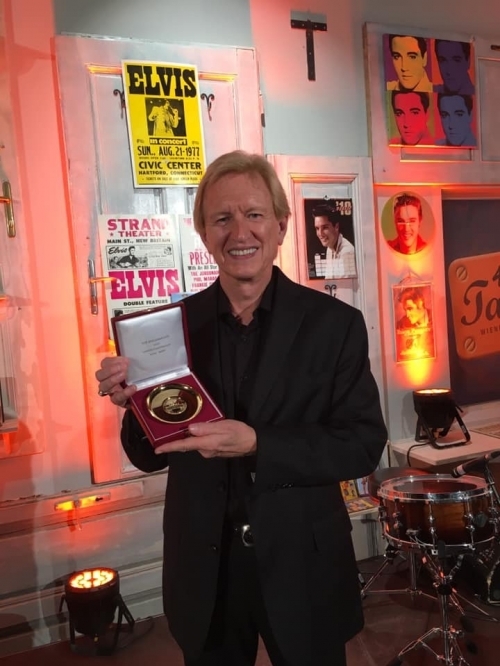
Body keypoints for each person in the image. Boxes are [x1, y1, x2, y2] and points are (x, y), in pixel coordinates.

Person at [95, 151, 387, 666]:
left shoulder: (335, 325)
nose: (239, 232)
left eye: (254, 214)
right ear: (204, 234)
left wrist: (257, 444)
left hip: (303, 563)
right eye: (222, 218)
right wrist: (135, 402)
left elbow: (362, 444)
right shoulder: (169, 327)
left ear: (281, 225)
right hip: (206, 571)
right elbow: (146, 454)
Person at [312, 203, 357, 278]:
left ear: (336, 227)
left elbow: (345, 285)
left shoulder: (347, 252)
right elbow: (328, 280)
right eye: (317, 228)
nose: (320, 234)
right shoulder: (330, 248)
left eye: (325, 227)